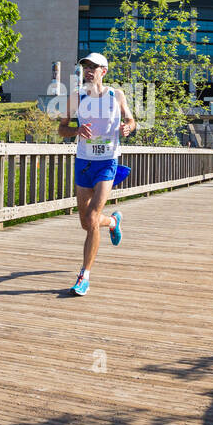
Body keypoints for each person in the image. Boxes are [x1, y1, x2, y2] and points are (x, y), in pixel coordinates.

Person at [57, 53, 137, 296]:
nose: (88, 71)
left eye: (93, 67)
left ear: (104, 71)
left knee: (92, 217)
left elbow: (132, 121)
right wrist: (76, 129)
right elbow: (61, 129)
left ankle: (84, 276)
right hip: (84, 162)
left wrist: (128, 127)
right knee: (86, 222)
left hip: (107, 162)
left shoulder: (116, 95)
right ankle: (113, 222)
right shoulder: (76, 97)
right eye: (85, 67)